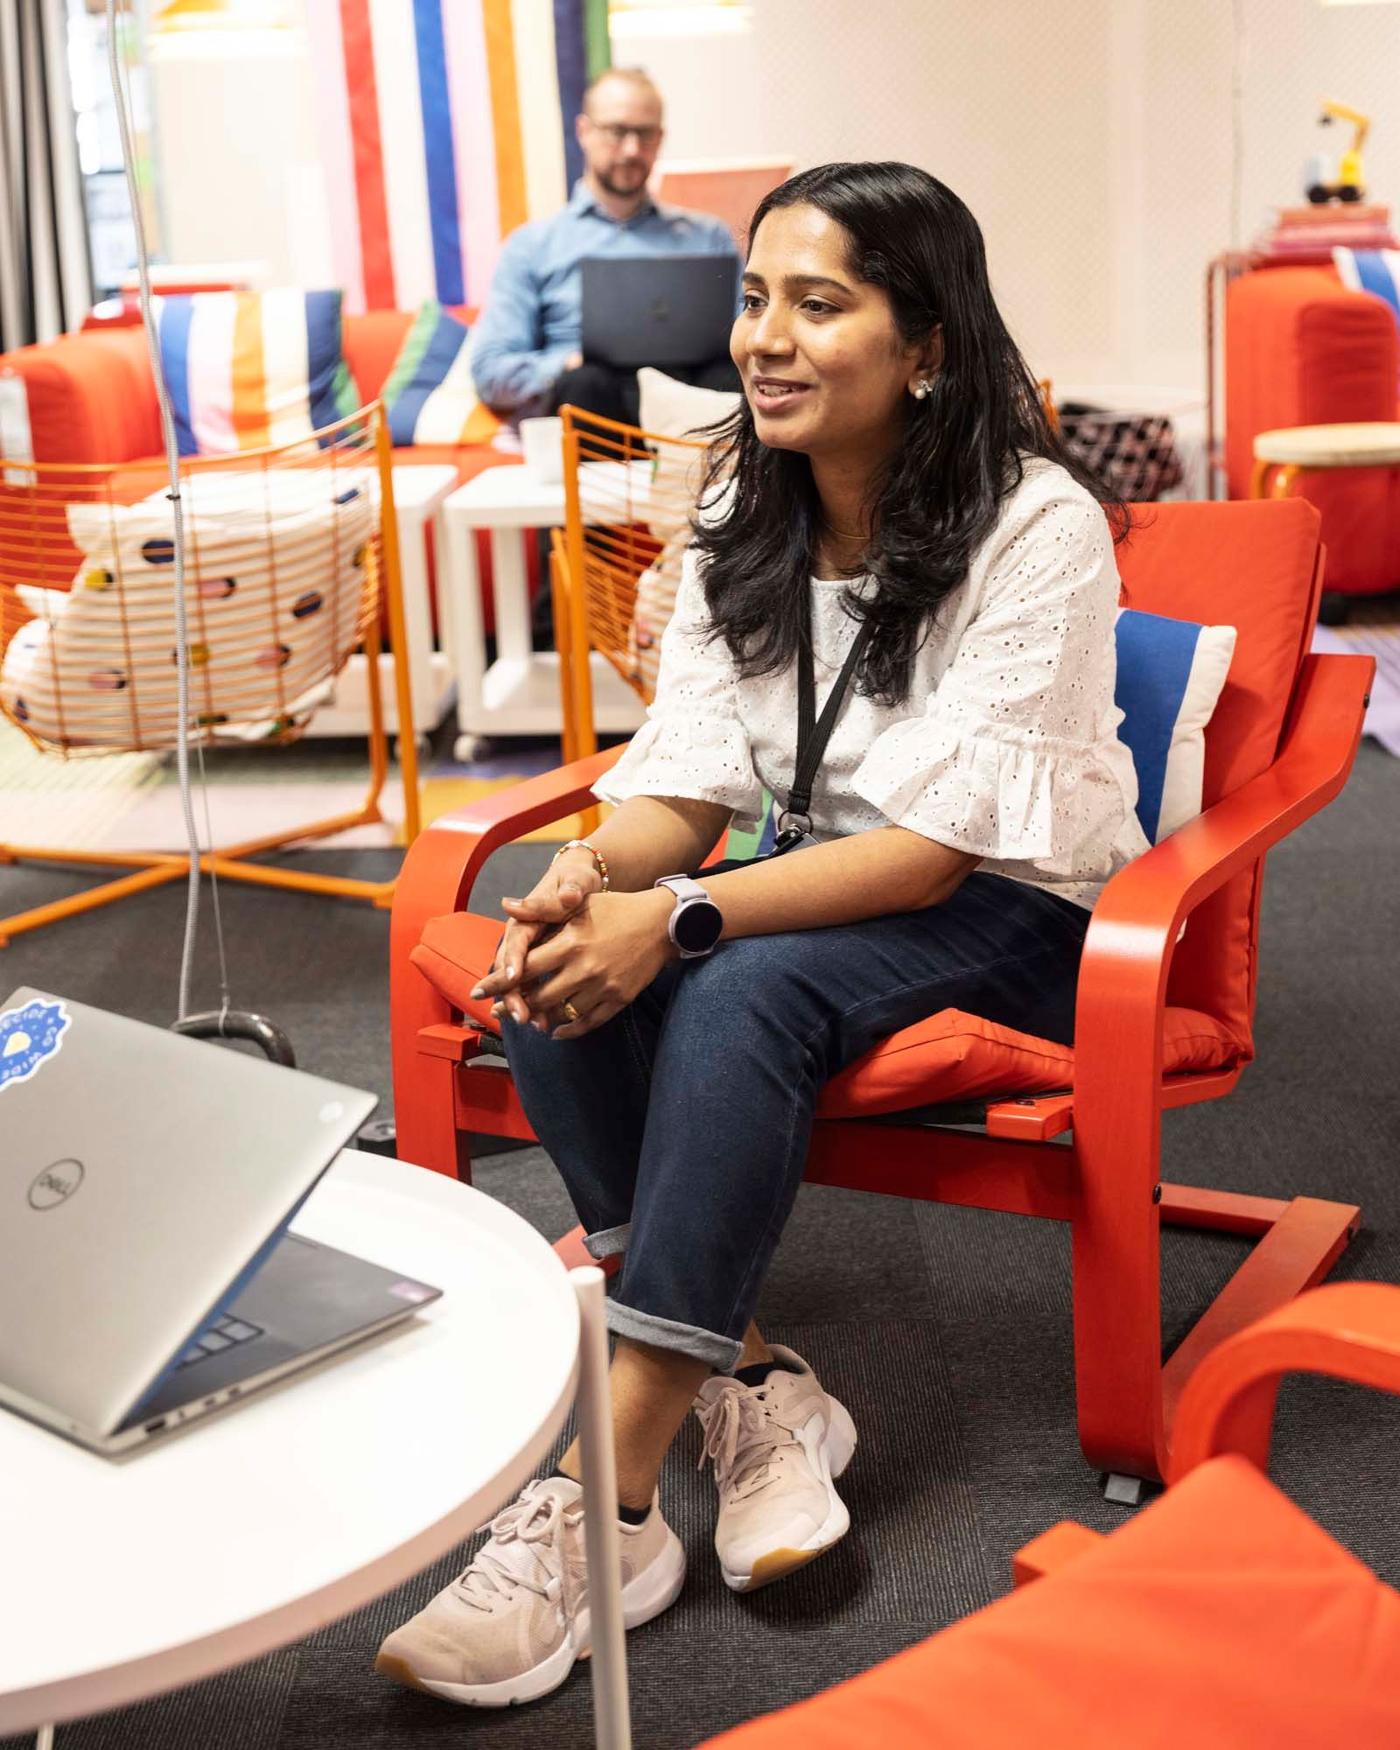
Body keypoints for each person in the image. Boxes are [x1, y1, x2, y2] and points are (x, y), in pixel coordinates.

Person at [377, 161, 1151, 1709]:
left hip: (1016, 904)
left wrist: (680, 913)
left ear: (925, 341)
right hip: (806, 882)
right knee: (552, 971)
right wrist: (597, 873)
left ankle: (609, 1492)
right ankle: (749, 1389)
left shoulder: (1038, 521)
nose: (764, 339)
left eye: (819, 303)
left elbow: (932, 855)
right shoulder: (741, 496)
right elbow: (683, 778)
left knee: (733, 995)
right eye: (752, 299)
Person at [469, 66, 742, 429]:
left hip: (691, 405)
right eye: (617, 131)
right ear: (584, 131)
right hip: (590, 407)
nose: (631, 149)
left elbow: (752, 339)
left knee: (730, 378)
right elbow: (491, 371)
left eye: (644, 134)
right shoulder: (532, 246)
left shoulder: (709, 238)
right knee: (585, 385)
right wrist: (565, 363)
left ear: (660, 138)